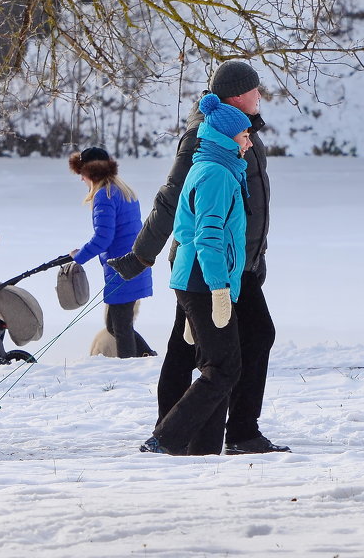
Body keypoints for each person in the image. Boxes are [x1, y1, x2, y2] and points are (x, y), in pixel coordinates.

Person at [110, 60, 288, 455]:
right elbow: (172, 199)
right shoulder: (205, 139)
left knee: (204, 347)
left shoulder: (242, 133)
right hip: (208, 267)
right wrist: (141, 256)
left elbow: (247, 205)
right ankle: (201, 433)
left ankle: (200, 434)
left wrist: (254, 256)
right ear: (236, 96)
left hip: (235, 262)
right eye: (256, 90)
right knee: (215, 347)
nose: (261, 95)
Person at [141, 94, 254, 455]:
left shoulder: (213, 167)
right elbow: (208, 236)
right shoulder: (216, 174)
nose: (249, 140)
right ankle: (165, 438)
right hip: (204, 282)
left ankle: (203, 450)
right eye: (244, 135)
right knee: (224, 368)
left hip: (196, 280)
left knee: (214, 364)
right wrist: (219, 288)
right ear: (226, 137)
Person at [68, 147, 155, 359]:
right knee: (116, 324)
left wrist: (79, 257)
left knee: (120, 327)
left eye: (82, 173)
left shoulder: (104, 196)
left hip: (123, 269)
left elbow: (103, 238)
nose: (81, 179)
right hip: (131, 266)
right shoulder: (123, 191)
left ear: (91, 172)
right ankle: (147, 357)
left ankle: (131, 366)